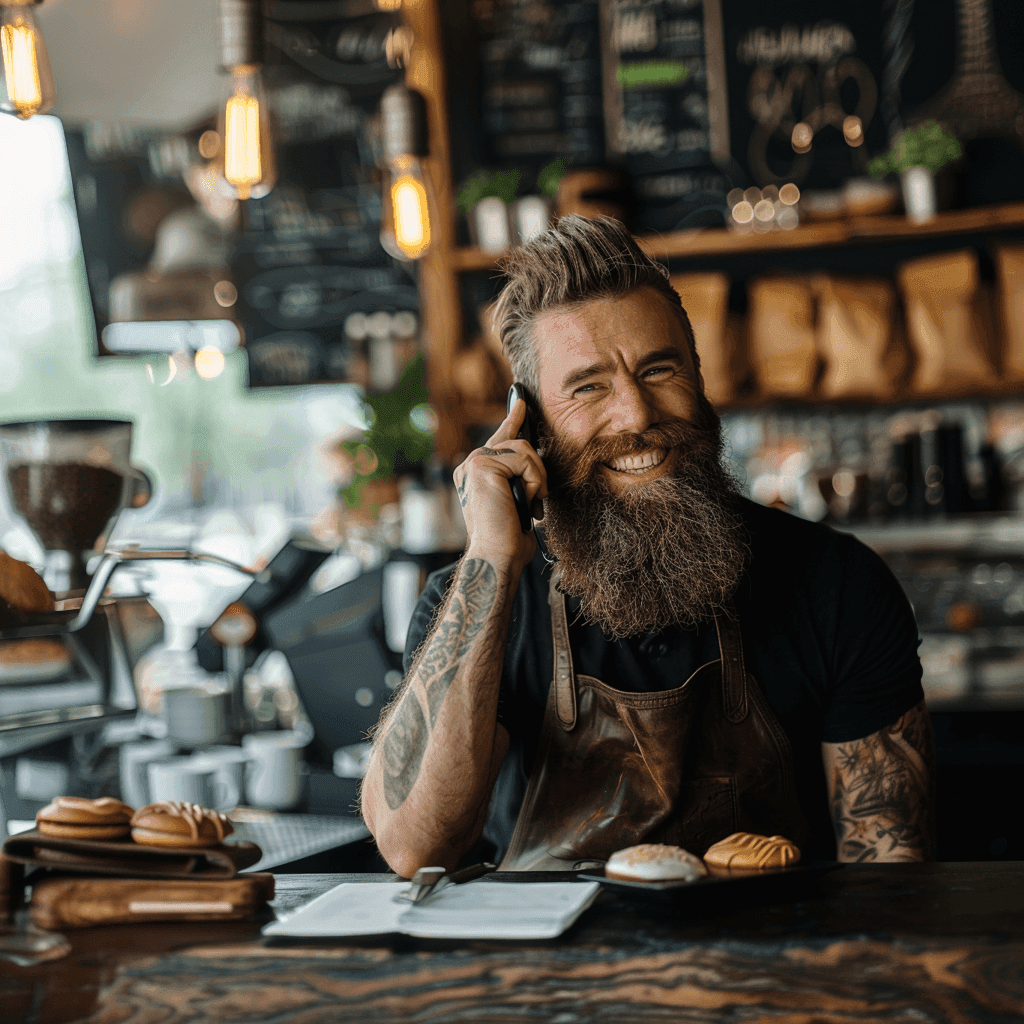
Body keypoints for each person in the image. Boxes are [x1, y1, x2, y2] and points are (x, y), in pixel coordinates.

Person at [360, 215, 934, 878]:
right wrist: (489, 556)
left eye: (659, 370)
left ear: (698, 376)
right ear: (529, 419)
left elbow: (891, 875)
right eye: (588, 386)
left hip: (771, 969)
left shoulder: (837, 586)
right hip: (546, 979)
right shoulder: (479, 605)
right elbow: (413, 846)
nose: (634, 415)